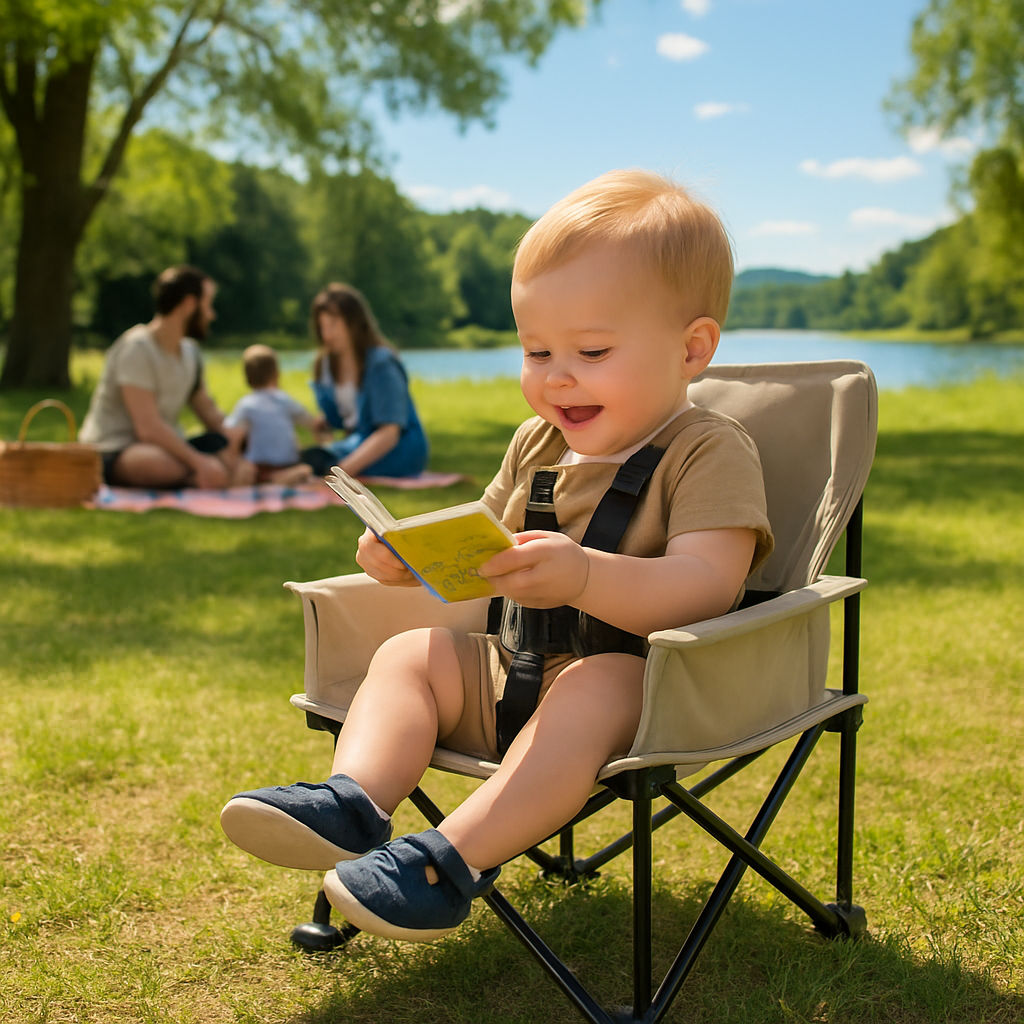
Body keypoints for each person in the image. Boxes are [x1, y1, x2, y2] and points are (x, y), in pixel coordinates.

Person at [220, 170, 774, 943]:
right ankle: (353, 804)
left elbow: (709, 585)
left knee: (595, 680)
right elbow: (480, 545)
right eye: (536, 349)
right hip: (508, 670)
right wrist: (410, 555)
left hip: (647, 695)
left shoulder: (708, 450)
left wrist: (584, 574)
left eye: (591, 349)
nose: (557, 375)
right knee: (413, 652)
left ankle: (444, 866)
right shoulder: (537, 443)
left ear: (691, 349)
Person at [80, 265, 243, 488]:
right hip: (118, 449)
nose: (211, 315)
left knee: (229, 453)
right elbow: (147, 428)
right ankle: (204, 476)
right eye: (207, 305)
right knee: (153, 463)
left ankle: (207, 474)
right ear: (189, 304)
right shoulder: (136, 349)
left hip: (166, 447)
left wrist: (235, 434)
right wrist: (198, 461)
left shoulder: (190, 353)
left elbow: (208, 410)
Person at [308, 283, 429, 478]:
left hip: (399, 450)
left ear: (353, 323)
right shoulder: (327, 365)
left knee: (319, 464)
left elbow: (389, 432)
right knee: (310, 458)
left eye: (333, 325)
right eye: (323, 327)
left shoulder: (381, 364)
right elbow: (346, 420)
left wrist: (340, 474)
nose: (327, 334)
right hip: (359, 443)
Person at [225, 344, 332, 486]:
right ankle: (285, 478)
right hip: (288, 464)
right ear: (276, 373)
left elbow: (231, 435)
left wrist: (233, 462)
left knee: (244, 467)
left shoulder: (246, 405)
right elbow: (311, 422)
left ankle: (269, 480)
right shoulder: (284, 400)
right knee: (303, 467)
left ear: (247, 376)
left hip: (259, 467)